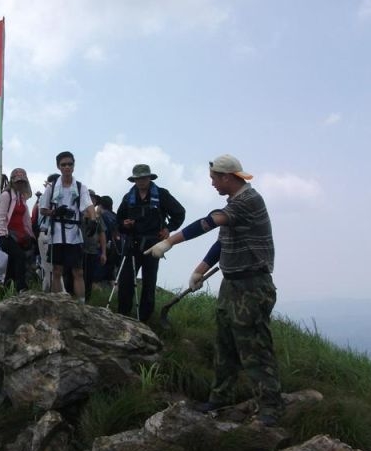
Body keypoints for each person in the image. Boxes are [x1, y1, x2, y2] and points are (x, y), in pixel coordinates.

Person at [147, 154, 283, 426]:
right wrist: (200, 269)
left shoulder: (248, 201)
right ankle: (220, 398)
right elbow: (222, 242)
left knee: (254, 347)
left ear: (227, 177)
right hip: (231, 284)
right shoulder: (233, 204)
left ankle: (271, 407)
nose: (211, 184)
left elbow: (209, 223)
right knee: (225, 344)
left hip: (252, 286)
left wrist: (170, 242)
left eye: (214, 179)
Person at [116, 164, 185, 322]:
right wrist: (124, 224)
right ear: (134, 180)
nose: (141, 181)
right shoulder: (128, 197)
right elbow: (118, 220)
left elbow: (179, 213)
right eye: (138, 178)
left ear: (149, 178)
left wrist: (168, 228)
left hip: (153, 244)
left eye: (144, 178)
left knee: (149, 281)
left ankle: (145, 320)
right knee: (126, 280)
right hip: (132, 243)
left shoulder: (161, 194)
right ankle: (122, 316)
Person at [40, 151, 95, 303]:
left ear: (73, 165)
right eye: (63, 164)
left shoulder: (80, 186)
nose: (67, 167)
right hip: (56, 233)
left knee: (78, 271)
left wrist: (93, 219)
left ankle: (81, 304)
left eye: (70, 164)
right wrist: (55, 211)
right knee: (57, 270)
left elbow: (89, 205)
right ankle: (57, 303)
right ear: (58, 166)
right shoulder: (51, 187)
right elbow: (42, 209)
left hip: (75, 234)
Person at [0, 168, 36, 292]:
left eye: (23, 182)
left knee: (12, 264)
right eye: (18, 182)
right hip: (7, 235)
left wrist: (30, 234)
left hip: (19, 236)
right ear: (12, 182)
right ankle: (21, 287)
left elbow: (25, 219)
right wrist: (2, 234)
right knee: (19, 257)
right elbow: (0, 216)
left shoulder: (21, 198)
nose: (20, 184)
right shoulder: (6, 195)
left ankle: (5, 290)